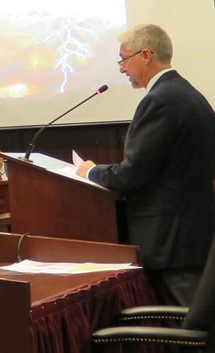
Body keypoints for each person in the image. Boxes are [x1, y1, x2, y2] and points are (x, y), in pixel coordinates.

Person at [76, 24, 215, 306]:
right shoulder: (192, 95)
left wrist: (90, 171)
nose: (121, 68)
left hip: (171, 245)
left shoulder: (160, 100)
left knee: (190, 335)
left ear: (147, 54)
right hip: (190, 239)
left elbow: (133, 173)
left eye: (124, 59)